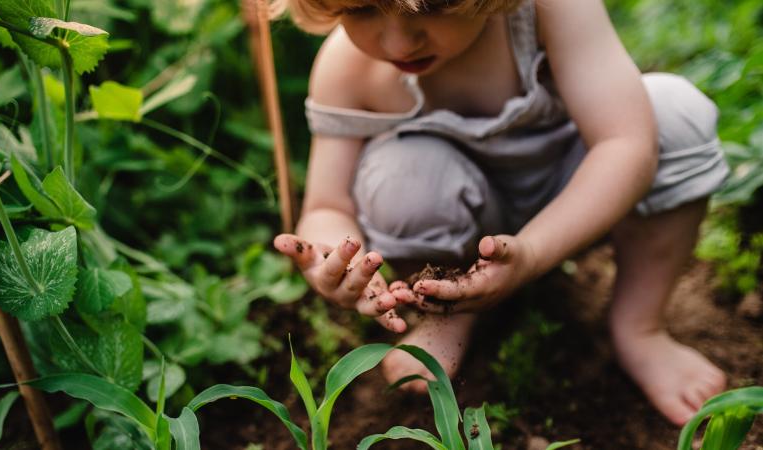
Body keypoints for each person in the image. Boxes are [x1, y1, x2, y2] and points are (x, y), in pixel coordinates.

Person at [270, 0, 729, 426]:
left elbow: (624, 144)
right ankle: (446, 309)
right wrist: (334, 255)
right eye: (362, 8)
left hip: (577, 200)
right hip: (457, 223)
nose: (398, 43)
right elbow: (327, 207)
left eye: (434, 5)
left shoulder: (551, 11)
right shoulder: (348, 69)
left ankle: (639, 326)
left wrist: (531, 253)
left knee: (672, 114)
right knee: (401, 176)